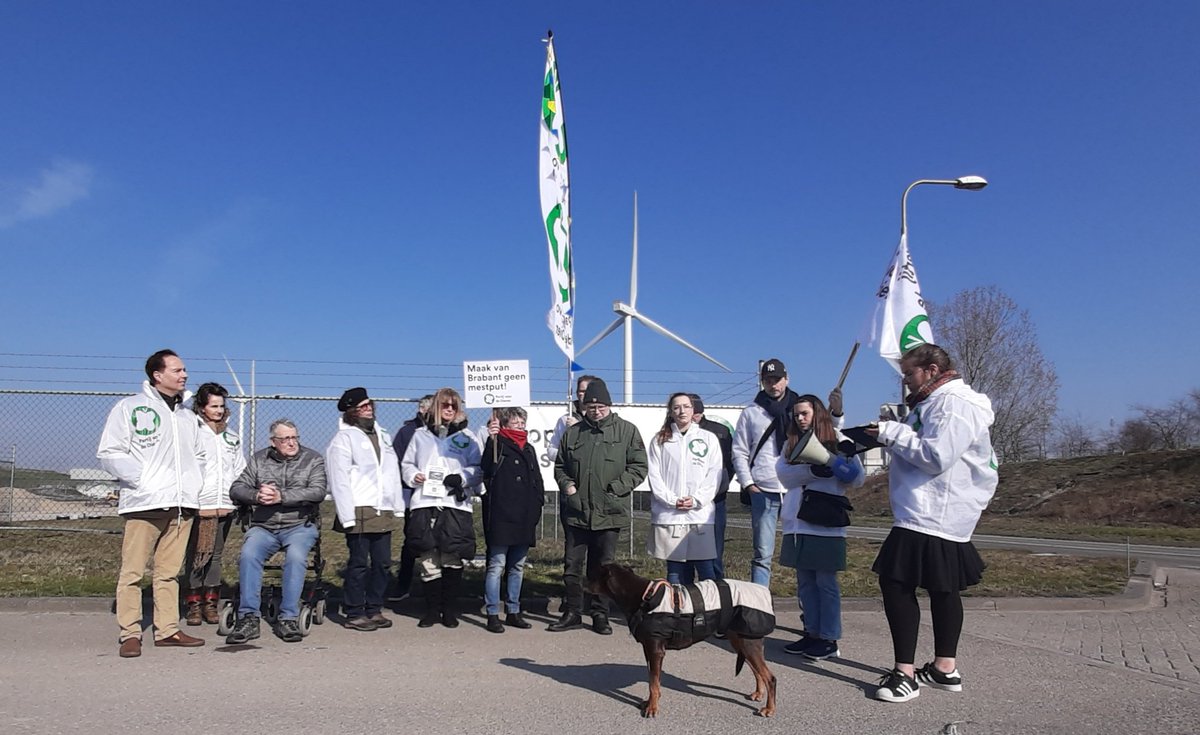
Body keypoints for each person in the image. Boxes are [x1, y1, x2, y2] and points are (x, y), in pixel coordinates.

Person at [866, 344, 999, 703]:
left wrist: (891, 433)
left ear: (932, 370)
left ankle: (905, 674)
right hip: (929, 508)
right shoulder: (933, 403)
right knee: (942, 588)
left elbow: (936, 455)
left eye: (909, 374)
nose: (905, 382)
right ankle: (944, 668)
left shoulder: (954, 404)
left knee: (896, 583)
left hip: (934, 509)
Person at [98, 349, 207, 658]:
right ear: (158, 375)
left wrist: (194, 486)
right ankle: (130, 633)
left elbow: (199, 456)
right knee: (132, 573)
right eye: (177, 370)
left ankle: (168, 630)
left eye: (184, 369)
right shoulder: (129, 408)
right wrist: (142, 480)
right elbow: (110, 452)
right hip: (144, 504)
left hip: (182, 506)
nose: (184, 375)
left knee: (168, 573)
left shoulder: (188, 416)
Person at [732, 358, 843, 586]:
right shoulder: (751, 412)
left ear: (787, 379)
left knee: (803, 551)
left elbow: (827, 432)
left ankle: (807, 604)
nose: (773, 384)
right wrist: (748, 483)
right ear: (762, 382)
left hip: (799, 487)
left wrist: (837, 412)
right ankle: (759, 603)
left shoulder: (801, 408)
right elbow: (739, 450)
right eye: (768, 380)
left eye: (777, 379)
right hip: (764, 489)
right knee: (763, 553)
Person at [551, 377, 648, 634]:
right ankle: (573, 612)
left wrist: (617, 488)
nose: (595, 411)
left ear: (609, 405)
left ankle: (600, 614)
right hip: (577, 512)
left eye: (600, 407)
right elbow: (560, 466)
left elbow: (639, 467)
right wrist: (568, 486)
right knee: (572, 566)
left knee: (603, 568)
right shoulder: (573, 433)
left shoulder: (627, 431)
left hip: (609, 511)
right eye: (590, 407)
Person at [776, 394, 864, 661]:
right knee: (805, 583)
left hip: (825, 522)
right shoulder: (791, 444)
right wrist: (812, 472)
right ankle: (811, 632)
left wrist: (834, 462)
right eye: (796, 415)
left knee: (825, 582)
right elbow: (783, 475)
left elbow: (856, 478)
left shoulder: (838, 440)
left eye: (805, 413)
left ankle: (829, 638)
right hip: (797, 523)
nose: (800, 419)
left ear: (818, 413)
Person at [226, 419, 326, 644]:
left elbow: (318, 491)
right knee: (248, 555)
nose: (292, 443)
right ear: (273, 441)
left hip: (299, 525)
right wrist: (256, 496)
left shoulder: (313, 459)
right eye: (285, 439)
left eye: (294, 437)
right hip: (264, 526)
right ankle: (248, 617)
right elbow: (237, 488)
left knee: (296, 558)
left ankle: (288, 617)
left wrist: (282, 496)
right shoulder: (259, 459)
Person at [401, 387, 483, 629]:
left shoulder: (467, 437)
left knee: (451, 557)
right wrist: (413, 475)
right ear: (436, 407)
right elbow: (407, 464)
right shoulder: (420, 435)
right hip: (425, 502)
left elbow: (478, 468)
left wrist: (462, 478)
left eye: (453, 406)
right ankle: (431, 611)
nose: (449, 409)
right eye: (445, 405)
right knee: (428, 559)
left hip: (454, 504)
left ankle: (448, 610)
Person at [327, 387, 405, 632]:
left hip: (382, 507)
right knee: (359, 564)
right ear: (352, 411)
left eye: (370, 404)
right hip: (359, 507)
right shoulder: (344, 438)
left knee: (382, 563)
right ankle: (354, 612)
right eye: (362, 406)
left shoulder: (382, 434)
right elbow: (338, 478)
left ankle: (374, 607)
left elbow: (391, 471)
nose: (368, 409)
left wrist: (397, 505)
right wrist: (346, 514)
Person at [183, 382, 247, 626]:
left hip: (225, 504)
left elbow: (239, 468)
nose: (219, 410)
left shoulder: (231, 436)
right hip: (200, 504)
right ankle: (193, 603)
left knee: (216, 556)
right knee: (197, 555)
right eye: (213, 406)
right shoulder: (193, 432)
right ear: (201, 407)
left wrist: (242, 495)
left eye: (221, 406)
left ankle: (211, 602)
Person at [480, 406, 545, 633]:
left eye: (522, 422)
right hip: (501, 515)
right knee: (496, 565)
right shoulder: (497, 444)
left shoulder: (529, 448)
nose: (520, 425)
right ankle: (492, 612)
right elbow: (486, 468)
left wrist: (538, 502)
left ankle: (513, 610)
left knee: (517, 566)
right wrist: (492, 439)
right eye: (515, 422)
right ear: (505, 424)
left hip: (525, 516)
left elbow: (537, 478)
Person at [646, 393, 721, 584]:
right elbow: (654, 475)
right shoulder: (660, 440)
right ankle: (677, 603)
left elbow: (714, 474)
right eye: (677, 407)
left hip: (700, 516)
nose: (682, 411)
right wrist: (672, 500)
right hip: (671, 516)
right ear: (671, 412)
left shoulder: (708, 438)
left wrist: (696, 500)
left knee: (706, 571)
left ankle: (708, 604)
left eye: (686, 406)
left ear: (693, 410)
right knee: (675, 572)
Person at [391, 394, 433, 601]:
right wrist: (412, 478)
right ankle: (404, 584)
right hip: (414, 496)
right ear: (422, 410)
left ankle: (433, 589)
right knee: (412, 541)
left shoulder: (446, 432)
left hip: (439, 497)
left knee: (438, 544)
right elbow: (397, 462)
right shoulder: (407, 432)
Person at [689, 394, 733, 577]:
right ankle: (686, 586)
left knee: (714, 547)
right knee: (685, 549)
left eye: (694, 413)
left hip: (716, 499)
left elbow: (730, 462)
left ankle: (715, 586)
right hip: (686, 500)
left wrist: (721, 484)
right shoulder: (674, 432)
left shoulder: (720, 431)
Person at [546, 374, 597, 463]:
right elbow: (551, 451)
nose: (584, 394)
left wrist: (577, 428)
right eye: (581, 391)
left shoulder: (601, 419)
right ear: (577, 393)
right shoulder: (565, 420)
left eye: (587, 391)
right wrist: (568, 455)